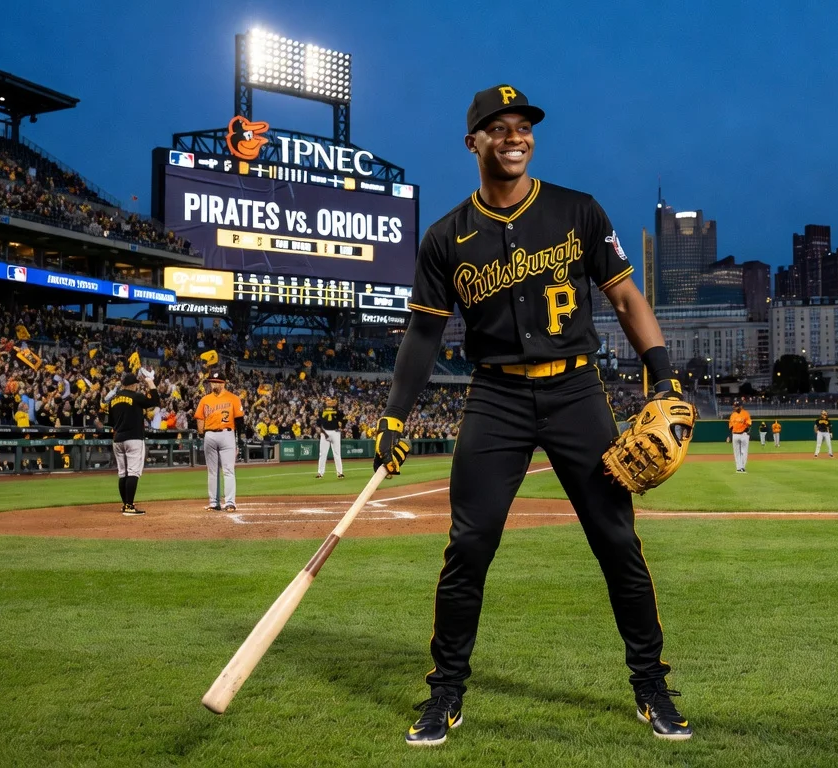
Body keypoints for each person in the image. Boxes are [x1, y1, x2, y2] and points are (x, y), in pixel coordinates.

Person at [373, 84, 692, 746]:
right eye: (499, 128)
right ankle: (445, 694)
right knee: (468, 547)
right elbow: (423, 336)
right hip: (496, 399)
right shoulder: (445, 238)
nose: (515, 136)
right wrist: (396, 417)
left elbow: (627, 298)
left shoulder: (576, 211)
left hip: (578, 393)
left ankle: (651, 686)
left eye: (523, 127)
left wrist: (663, 376)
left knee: (616, 542)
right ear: (474, 143)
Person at [107, 372, 159, 516]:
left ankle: (125, 505)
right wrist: (150, 383)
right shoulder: (135, 396)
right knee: (133, 472)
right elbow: (155, 401)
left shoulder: (113, 399)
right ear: (133, 384)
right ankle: (130, 506)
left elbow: (110, 422)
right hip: (134, 438)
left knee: (123, 473)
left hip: (118, 439)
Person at [195, 373, 243, 511]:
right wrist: (201, 435)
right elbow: (199, 418)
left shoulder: (233, 398)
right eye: (212, 382)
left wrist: (238, 440)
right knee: (212, 471)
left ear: (223, 383)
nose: (213, 384)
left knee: (228, 470)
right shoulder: (205, 399)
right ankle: (214, 502)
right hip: (209, 434)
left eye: (216, 382)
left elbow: (239, 421)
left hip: (227, 434)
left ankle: (230, 502)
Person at [315, 396, 346, 479]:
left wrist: (342, 426)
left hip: (335, 432)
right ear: (325, 402)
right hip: (325, 432)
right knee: (322, 454)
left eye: (331, 401)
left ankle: (340, 473)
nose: (329, 402)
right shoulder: (321, 411)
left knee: (337, 453)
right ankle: (320, 473)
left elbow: (343, 420)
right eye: (327, 401)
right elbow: (318, 424)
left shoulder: (338, 411)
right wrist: (323, 433)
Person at [728, 400, 751, 473]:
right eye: (735, 406)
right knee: (736, 452)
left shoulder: (745, 413)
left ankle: (742, 467)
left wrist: (746, 429)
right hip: (735, 435)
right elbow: (731, 426)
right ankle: (738, 468)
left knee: (744, 452)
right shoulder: (733, 415)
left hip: (743, 434)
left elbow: (749, 423)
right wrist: (730, 436)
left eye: (737, 406)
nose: (735, 407)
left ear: (741, 406)